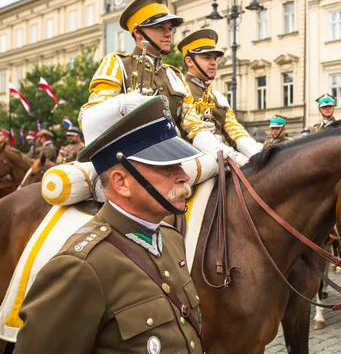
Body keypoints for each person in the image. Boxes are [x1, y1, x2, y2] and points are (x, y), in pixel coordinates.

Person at [15, 94, 204, 353]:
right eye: (166, 167)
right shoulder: (80, 267)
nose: (184, 176)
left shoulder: (170, 239)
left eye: (179, 164)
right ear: (121, 182)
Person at [78, 0, 202, 140]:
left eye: (169, 28)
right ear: (138, 32)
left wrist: (213, 145)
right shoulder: (116, 64)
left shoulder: (175, 75)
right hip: (128, 157)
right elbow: (88, 120)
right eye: (159, 27)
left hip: (173, 152)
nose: (168, 33)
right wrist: (121, 105)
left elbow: (193, 125)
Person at [176, 29, 261, 166]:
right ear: (189, 61)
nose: (213, 62)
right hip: (192, 162)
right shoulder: (179, 90)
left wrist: (259, 156)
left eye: (214, 58)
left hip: (224, 158)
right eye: (206, 57)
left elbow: (236, 131)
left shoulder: (218, 97)